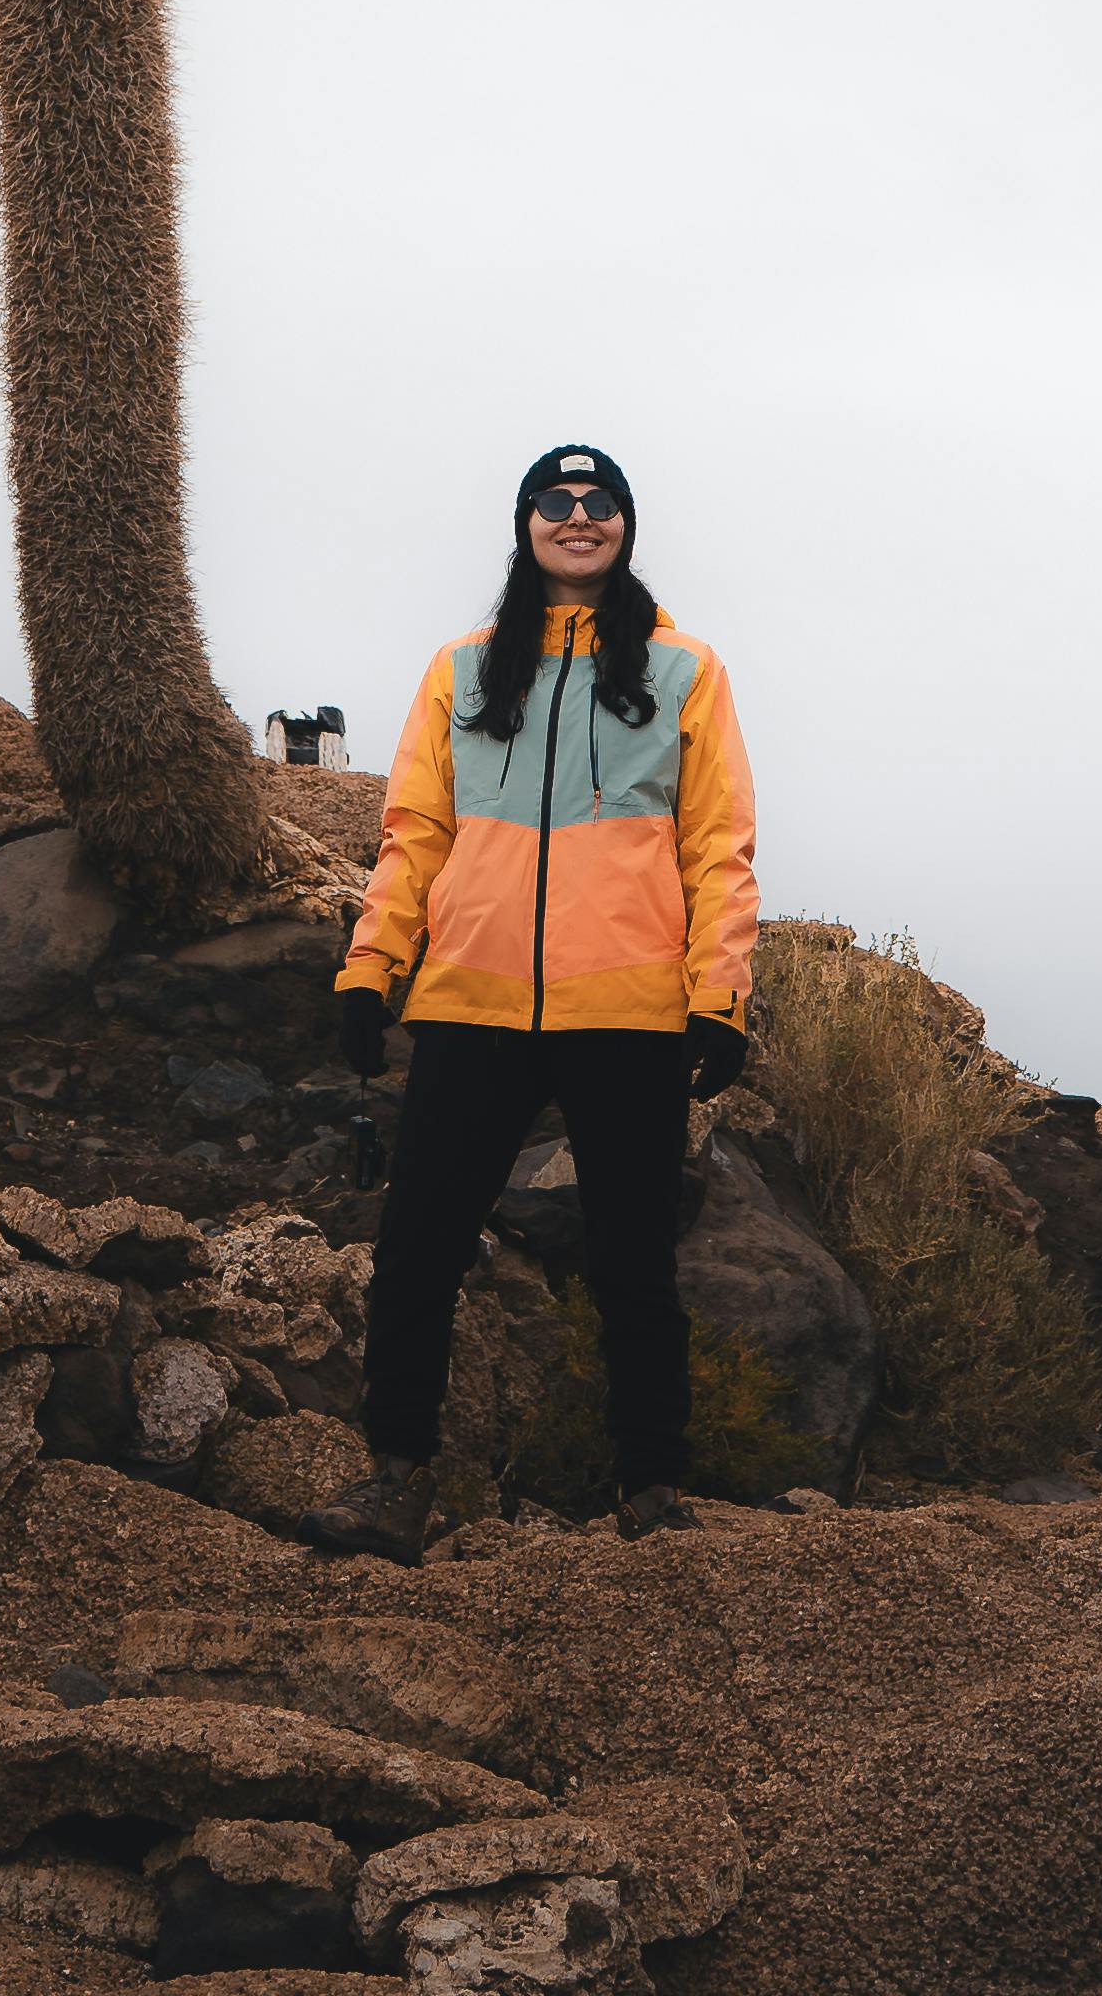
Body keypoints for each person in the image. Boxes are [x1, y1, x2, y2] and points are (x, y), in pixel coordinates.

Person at [299, 443, 759, 1564]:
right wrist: (371, 968)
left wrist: (719, 996)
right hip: (472, 1002)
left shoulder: (681, 667)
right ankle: (394, 1481)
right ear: (525, 527)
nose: (576, 516)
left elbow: (717, 845)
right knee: (416, 1248)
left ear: (623, 527)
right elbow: (412, 834)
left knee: (631, 1263)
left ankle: (650, 1494)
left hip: (627, 1009)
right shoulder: (461, 669)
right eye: (553, 503)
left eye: (598, 503)